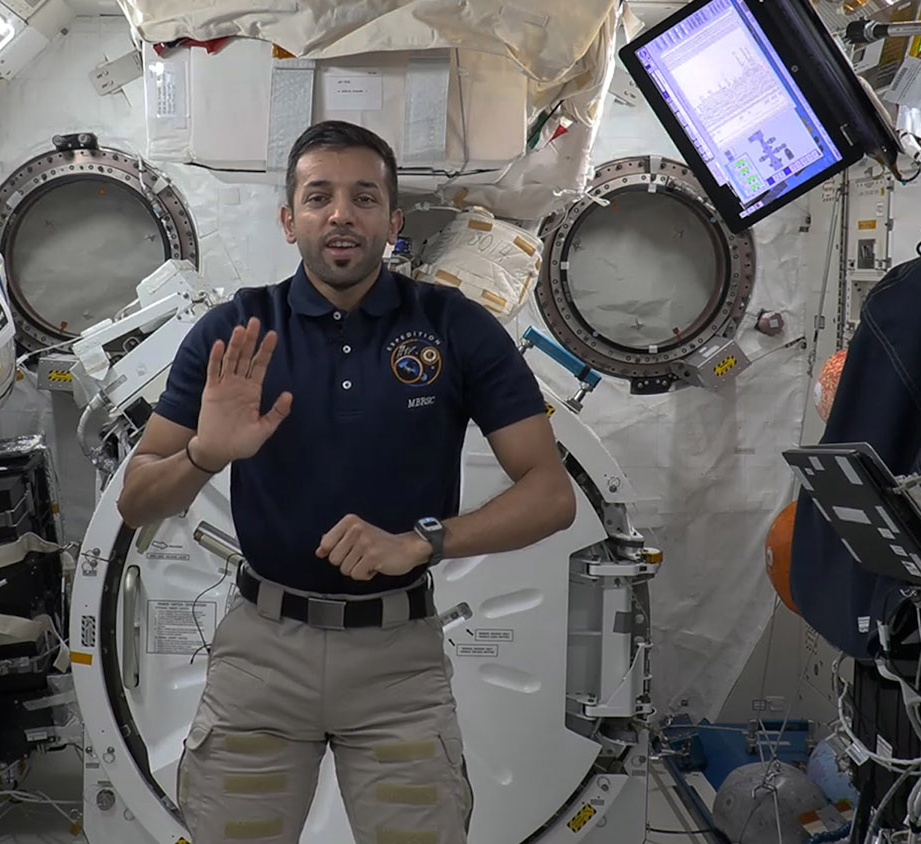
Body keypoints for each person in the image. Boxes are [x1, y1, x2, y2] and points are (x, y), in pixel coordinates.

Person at [116, 120, 577, 844]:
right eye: (318, 196)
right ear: (289, 218)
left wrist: (425, 541)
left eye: (364, 198)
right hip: (261, 661)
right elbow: (136, 499)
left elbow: (551, 493)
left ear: (392, 222)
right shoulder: (235, 333)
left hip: (398, 667)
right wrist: (206, 453)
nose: (340, 214)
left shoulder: (455, 329)